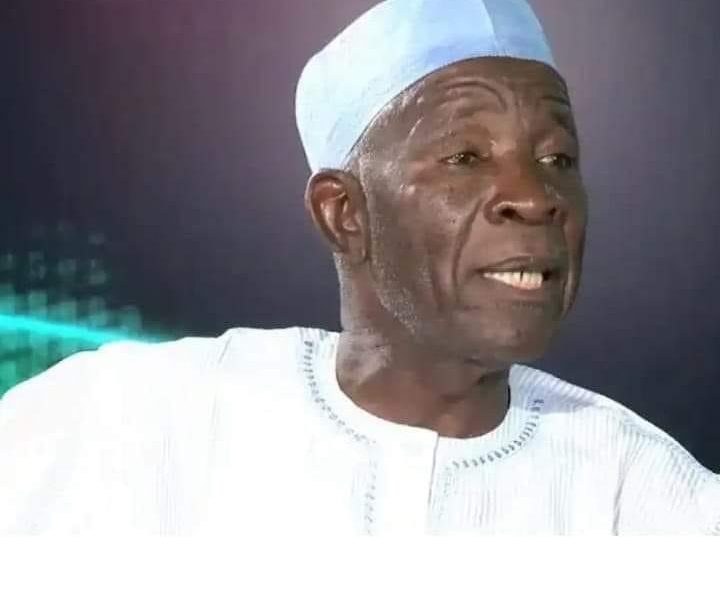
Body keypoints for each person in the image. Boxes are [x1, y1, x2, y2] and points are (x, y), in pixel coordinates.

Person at [1, 0, 718, 535]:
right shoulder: (135, 421)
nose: (536, 198)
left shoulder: (644, 496)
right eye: (465, 157)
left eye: (558, 159)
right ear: (344, 213)